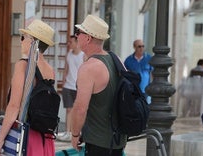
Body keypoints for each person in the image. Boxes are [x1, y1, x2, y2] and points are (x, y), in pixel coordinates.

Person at [0, 19, 56, 156]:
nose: (21, 41)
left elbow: (14, 106)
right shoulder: (50, 70)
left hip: (26, 137)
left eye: (23, 37)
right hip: (45, 139)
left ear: (33, 42)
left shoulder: (23, 66)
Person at [71, 14, 127, 156]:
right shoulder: (116, 59)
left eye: (79, 33)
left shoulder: (89, 68)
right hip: (118, 139)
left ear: (88, 38)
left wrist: (75, 134)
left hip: (98, 142)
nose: (76, 36)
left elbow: (80, 108)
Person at [57, 35, 84, 142]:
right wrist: (63, 83)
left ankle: (76, 132)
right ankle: (68, 132)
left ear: (77, 42)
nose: (69, 44)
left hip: (78, 87)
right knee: (69, 109)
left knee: (78, 110)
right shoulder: (68, 55)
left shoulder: (83, 56)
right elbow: (66, 69)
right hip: (68, 86)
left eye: (71, 42)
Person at [124, 39, 153, 104]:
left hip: (146, 91)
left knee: (146, 109)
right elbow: (125, 75)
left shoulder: (149, 58)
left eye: (143, 46)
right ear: (134, 47)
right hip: (133, 91)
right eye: (139, 46)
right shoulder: (128, 60)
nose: (142, 48)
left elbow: (153, 73)